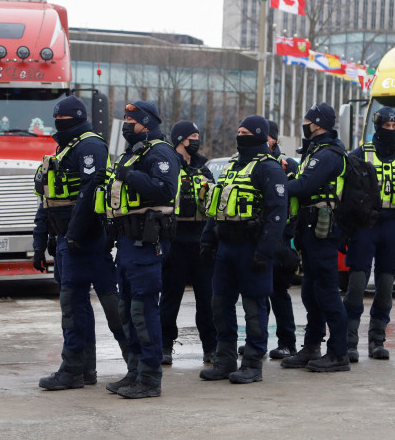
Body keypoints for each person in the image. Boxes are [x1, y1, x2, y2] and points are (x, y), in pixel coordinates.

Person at [33, 95, 126, 391]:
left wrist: (74, 233)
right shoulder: (65, 148)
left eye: (64, 119)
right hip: (66, 240)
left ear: (78, 119)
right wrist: (41, 240)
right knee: (75, 305)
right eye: (57, 119)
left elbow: (88, 194)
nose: (59, 123)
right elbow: (48, 200)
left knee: (100, 303)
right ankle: (83, 369)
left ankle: (136, 366)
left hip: (88, 238)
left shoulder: (90, 145)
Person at [199, 115, 287, 384]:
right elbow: (216, 207)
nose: (240, 136)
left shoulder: (269, 168)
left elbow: (277, 214)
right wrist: (207, 240)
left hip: (252, 248)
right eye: (238, 132)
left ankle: (252, 364)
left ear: (259, 135)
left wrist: (265, 251)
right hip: (226, 247)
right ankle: (224, 360)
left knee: (253, 309)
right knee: (219, 305)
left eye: (245, 132)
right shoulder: (231, 167)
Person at [103, 100, 180, 399]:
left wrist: (129, 176)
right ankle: (134, 371)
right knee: (127, 310)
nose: (126, 125)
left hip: (147, 244)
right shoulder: (133, 153)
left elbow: (165, 189)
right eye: (124, 120)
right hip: (127, 244)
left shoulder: (160, 152)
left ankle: (149, 379)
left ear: (145, 124)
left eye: (131, 121)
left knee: (143, 311)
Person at [344, 106, 395, 361]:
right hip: (364, 227)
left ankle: (377, 340)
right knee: (356, 285)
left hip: (393, 227)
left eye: (393, 127)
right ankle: (349, 342)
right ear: (377, 126)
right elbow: (345, 194)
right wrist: (342, 231)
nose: (389, 130)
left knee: (386, 286)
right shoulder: (360, 154)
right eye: (385, 126)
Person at [281, 103, 350, 372]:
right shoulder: (316, 152)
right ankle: (311, 346)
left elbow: (305, 185)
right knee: (311, 292)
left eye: (307, 120)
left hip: (323, 231)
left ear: (318, 124)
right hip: (309, 229)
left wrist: (276, 186)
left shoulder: (328, 154)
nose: (304, 124)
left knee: (327, 292)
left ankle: (339, 353)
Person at [160, 120, 217, 365]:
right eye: (192, 136)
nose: (196, 140)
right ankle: (164, 346)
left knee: (207, 299)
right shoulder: (168, 166)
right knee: (170, 299)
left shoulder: (204, 169)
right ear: (180, 139)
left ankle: (211, 347)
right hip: (175, 241)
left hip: (201, 242)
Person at [266, 120, 299, 359]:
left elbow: (295, 201)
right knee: (256, 294)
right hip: (257, 238)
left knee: (278, 294)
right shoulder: (249, 164)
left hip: (281, 240)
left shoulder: (289, 165)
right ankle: (256, 342)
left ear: (274, 140)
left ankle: (287, 343)